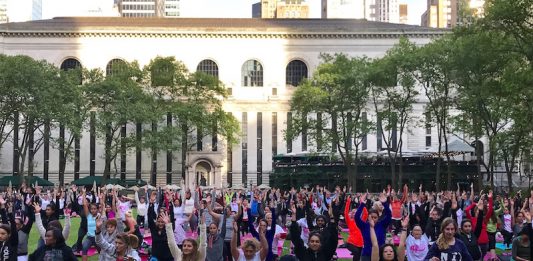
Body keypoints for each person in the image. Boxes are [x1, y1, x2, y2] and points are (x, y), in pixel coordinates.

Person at [356, 192, 391, 261]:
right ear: (368, 217)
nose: (373, 219)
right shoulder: (364, 226)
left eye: (375, 217)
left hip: (380, 254)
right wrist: (362, 204)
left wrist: (384, 203)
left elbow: (389, 215)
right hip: (366, 255)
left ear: (378, 218)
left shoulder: (382, 225)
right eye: (371, 217)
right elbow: (357, 217)